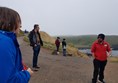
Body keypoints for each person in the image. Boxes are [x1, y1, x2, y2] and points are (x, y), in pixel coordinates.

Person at [0, 7, 33, 83]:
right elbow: (8, 80)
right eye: (19, 23)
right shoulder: (4, 42)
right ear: (10, 23)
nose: (20, 27)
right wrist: (27, 74)